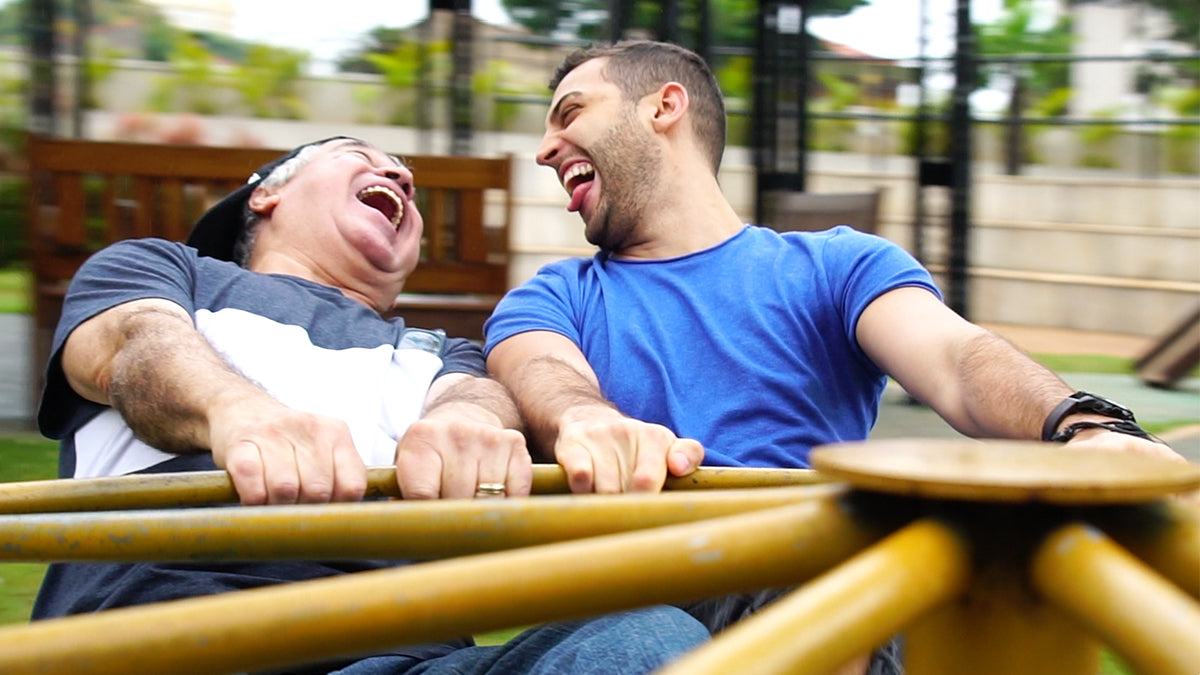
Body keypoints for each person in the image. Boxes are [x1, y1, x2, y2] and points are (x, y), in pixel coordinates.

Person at [482, 41, 1189, 674]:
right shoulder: (552, 295)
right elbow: (542, 371)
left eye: (568, 113)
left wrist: (1086, 425)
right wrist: (585, 420)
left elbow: (955, 355)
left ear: (665, 106)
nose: (546, 148)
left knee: (934, 566)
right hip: (641, 589)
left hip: (817, 574)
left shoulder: (836, 264)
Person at [31, 136, 708, 675]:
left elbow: (476, 398)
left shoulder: (441, 353)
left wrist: (467, 424)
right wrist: (236, 410)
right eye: (361, 157)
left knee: (657, 640)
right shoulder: (171, 272)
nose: (403, 181)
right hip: (164, 636)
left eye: (407, 179)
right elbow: (132, 343)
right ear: (267, 194)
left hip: (400, 659)